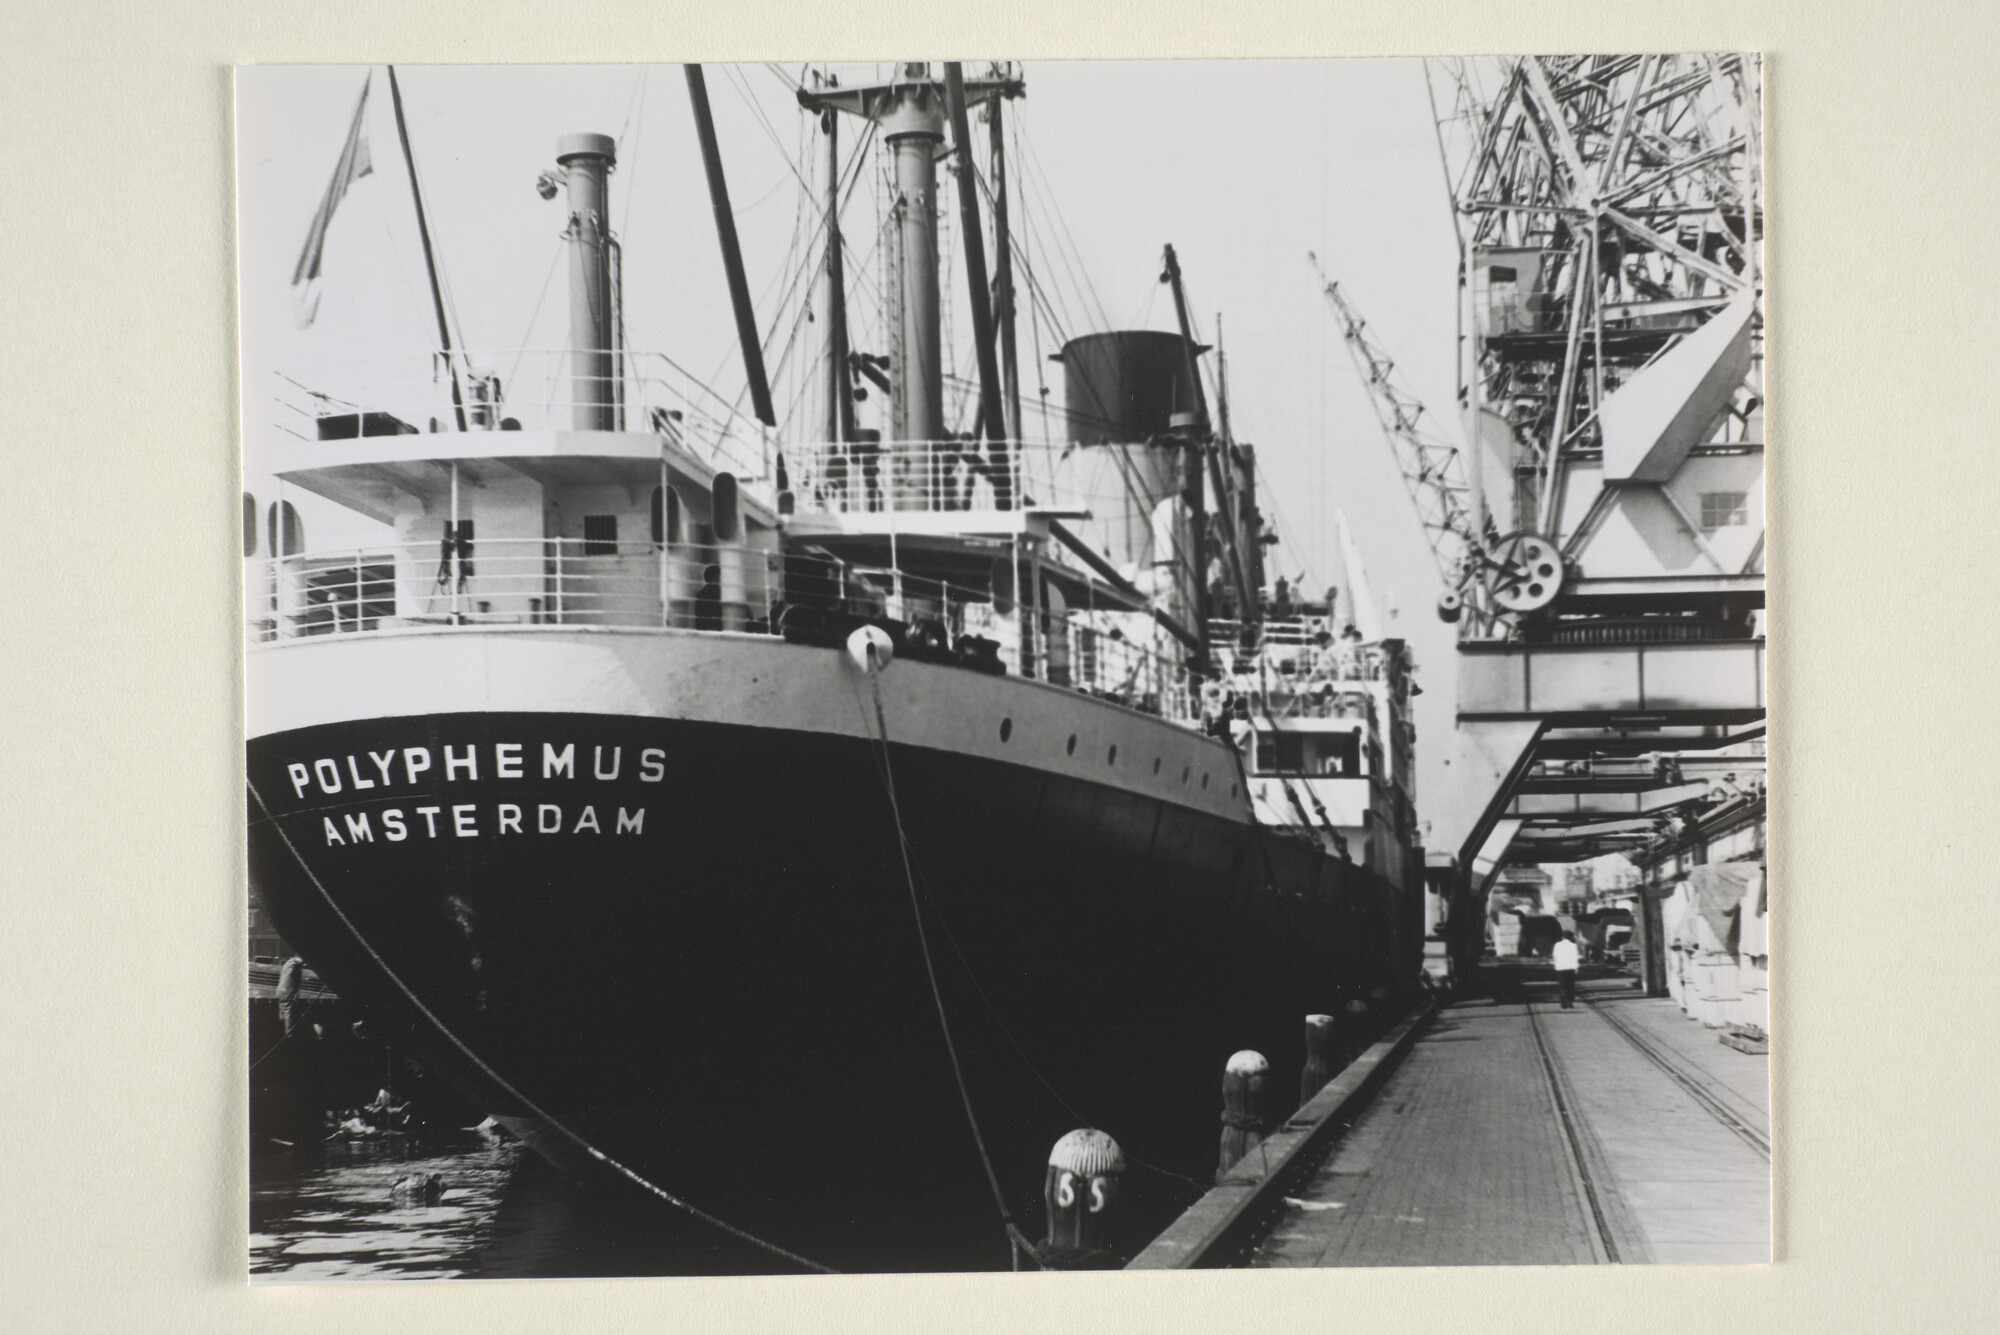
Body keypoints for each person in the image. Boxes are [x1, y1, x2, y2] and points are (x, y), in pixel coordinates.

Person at [1551, 931, 1581, 1009]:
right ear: (1570, 937)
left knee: (1562, 985)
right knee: (1570, 985)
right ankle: (1570, 1002)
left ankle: (1563, 1002)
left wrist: (1556, 964)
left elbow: (1555, 956)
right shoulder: (1573, 946)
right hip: (1570, 968)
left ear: (1563, 937)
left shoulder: (1557, 945)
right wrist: (1576, 968)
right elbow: (1575, 958)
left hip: (1560, 968)